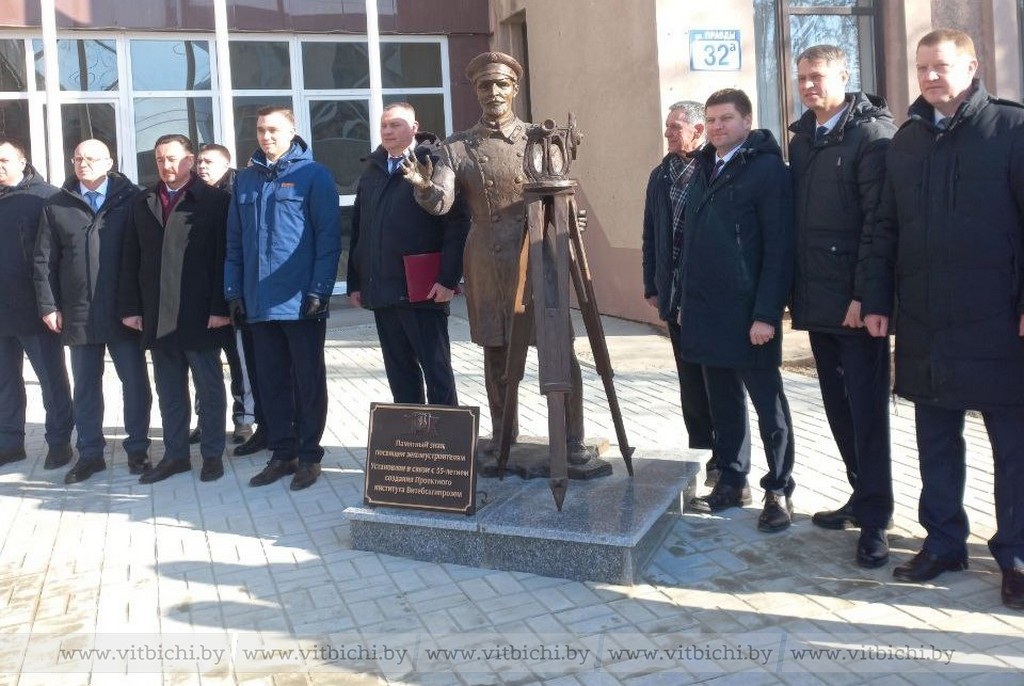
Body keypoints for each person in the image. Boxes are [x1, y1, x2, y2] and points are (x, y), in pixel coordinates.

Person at [863, 29, 1024, 610]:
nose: (930, 76)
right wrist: (876, 299)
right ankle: (944, 542)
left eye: (942, 66)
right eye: (922, 67)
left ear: (972, 66)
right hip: (926, 319)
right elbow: (885, 226)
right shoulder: (906, 141)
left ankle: (1016, 554)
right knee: (935, 440)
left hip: (998, 318)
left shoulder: (1011, 129)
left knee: (1014, 448)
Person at [404, 51, 594, 463]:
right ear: (475, 91)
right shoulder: (458, 146)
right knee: (496, 351)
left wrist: (570, 216)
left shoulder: (540, 138)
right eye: (484, 85)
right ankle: (503, 433)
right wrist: (424, 186)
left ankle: (572, 437)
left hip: (538, 255)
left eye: (501, 84)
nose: (493, 92)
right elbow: (442, 201)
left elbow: (560, 193)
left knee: (557, 348)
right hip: (486, 261)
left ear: (514, 88)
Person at [788, 44, 897, 568]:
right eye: (802, 78)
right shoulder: (803, 140)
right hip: (817, 301)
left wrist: (865, 296)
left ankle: (877, 518)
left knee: (867, 411)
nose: (809, 85)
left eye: (818, 76)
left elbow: (879, 223)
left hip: (855, 306)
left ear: (844, 76)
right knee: (837, 407)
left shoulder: (871, 136)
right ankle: (860, 493)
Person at [679, 88, 797, 532]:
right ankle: (732, 480)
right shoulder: (705, 166)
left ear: (747, 121)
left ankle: (779, 488)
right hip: (709, 312)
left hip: (750, 316)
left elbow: (778, 248)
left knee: (769, 407)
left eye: (725, 118)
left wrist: (766, 314)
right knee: (724, 405)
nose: (716, 127)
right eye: (711, 120)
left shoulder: (767, 170)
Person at [224, 106, 341, 491]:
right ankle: (282, 452)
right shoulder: (246, 180)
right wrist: (234, 291)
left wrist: (319, 289)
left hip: (299, 301)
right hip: (259, 303)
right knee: (270, 383)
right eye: (261, 130)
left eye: (274, 130)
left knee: (307, 382)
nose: (266, 136)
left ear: (292, 132)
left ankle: (309, 455)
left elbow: (328, 239)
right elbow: (234, 242)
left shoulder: (314, 175)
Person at [35, 139, 152, 484]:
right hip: (79, 312)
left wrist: (141, 306)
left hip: (124, 311)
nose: (82, 164)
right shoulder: (57, 204)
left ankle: (138, 449)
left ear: (108, 162)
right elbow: (44, 260)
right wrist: (48, 305)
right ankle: (90, 454)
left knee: (135, 382)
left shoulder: (132, 199)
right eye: (77, 158)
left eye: (90, 158)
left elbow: (146, 255)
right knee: (85, 386)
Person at [118, 134, 232, 484]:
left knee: (209, 388)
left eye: (173, 158)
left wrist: (221, 307)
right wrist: (131, 307)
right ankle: (176, 455)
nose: (166, 165)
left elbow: (225, 257)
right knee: (169, 391)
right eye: (159, 159)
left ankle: (212, 455)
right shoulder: (144, 201)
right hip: (158, 314)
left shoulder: (215, 201)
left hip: (201, 314)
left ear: (190, 160)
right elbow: (131, 257)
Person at [347, 103, 468, 406]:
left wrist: (448, 279)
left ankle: (444, 435)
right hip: (383, 291)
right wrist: (356, 282)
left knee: (437, 374)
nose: (387, 131)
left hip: (423, 291)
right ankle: (411, 434)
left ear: (414, 128)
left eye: (396, 125)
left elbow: (456, 225)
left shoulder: (435, 163)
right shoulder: (373, 168)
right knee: (400, 377)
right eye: (384, 125)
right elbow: (360, 229)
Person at [641, 101, 718, 485]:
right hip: (672, 296)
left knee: (715, 383)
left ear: (698, 131)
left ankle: (724, 461)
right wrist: (651, 284)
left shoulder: (712, 170)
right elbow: (650, 234)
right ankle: (698, 455)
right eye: (667, 126)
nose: (668, 133)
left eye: (675, 127)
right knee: (690, 383)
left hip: (705, 297)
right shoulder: (660, 175)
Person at [0, 138, 73, 470]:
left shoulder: (45, 198)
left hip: (36, 309)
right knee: (5, 383)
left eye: (4, 160)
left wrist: (53, 304)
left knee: (51, 379)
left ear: (22, 162)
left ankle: (59, 442)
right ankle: (10, 443)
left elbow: (56, 258)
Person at [195, 143, 267, 457]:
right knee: (201, 364)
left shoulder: (237, 193)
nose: (202, 167)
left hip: (234, 295)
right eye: (199, 161)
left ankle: (244, 419)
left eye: (209, 162)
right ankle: (205, 420)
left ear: (227, 164)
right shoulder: (193, 196)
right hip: (201, 296)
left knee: (240, 362)